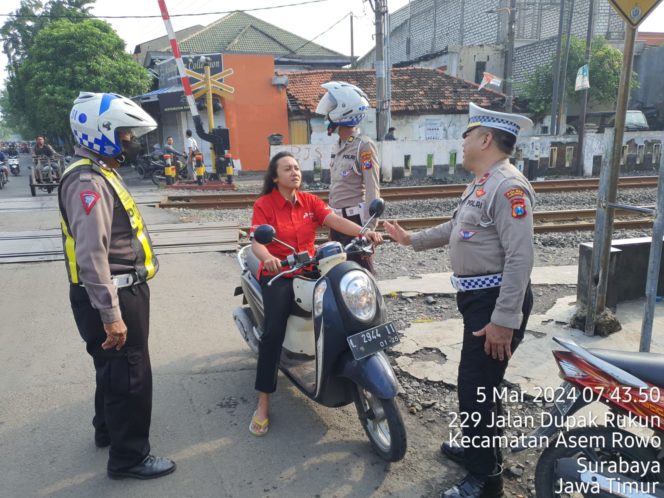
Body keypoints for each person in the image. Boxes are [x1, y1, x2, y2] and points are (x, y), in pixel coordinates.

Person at [384, 103, 535, 498]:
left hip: (494, 304)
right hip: (479, 301)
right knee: (482, 387)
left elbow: (521, 257)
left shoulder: (509, 187)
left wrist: (505, 320)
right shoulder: (484, 183)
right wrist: (410, 240)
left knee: (475, 391)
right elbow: (457, 226)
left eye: (467, 134)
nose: (462, 141)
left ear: (485, 139)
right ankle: (478, 451)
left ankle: (486, 481)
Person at [59, 91, 176, 480]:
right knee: (131, 374)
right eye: (125, 134)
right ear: (101, 132)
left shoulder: (98, 172)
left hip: (114, 290)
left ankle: (107, 430)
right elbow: (92, 254)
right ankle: (129, 458)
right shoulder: (87, 181)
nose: (131, 140)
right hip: (114, 292)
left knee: (111, 368)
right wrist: (111, 314)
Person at [249, 151, 383, 436]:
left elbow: (333, 220)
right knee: (272, 333)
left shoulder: (309, 201)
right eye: (287, 168)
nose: (295, 172)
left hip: (311, 268)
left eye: (297, 167)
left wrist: (363, 233)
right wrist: (267, 259)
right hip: (280, 274)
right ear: (275, 177)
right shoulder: (264, 204)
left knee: (344, 305)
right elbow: (256, 243)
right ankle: (262, 402)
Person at [315, 81, 380, 273]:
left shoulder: (364, 146)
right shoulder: (338, 145)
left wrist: (369, 228)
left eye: (331, 108)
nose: (327, 114)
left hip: (356, 224)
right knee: (335, 272)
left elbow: (372, 188)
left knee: (360, 274)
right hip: (337, 222)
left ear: (344, 110)